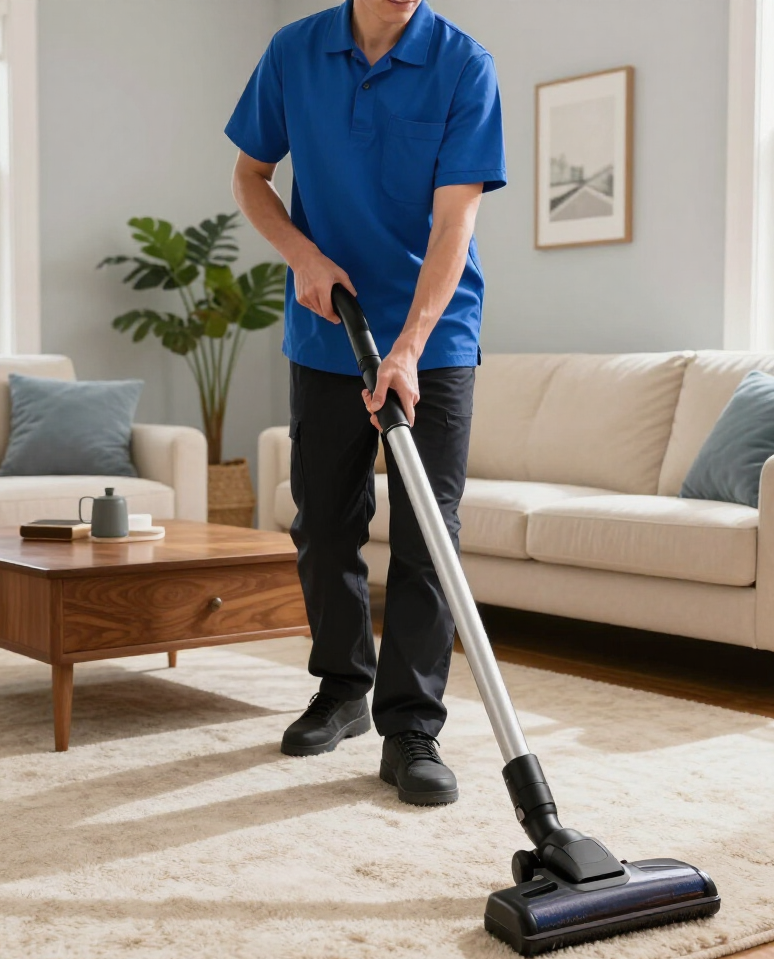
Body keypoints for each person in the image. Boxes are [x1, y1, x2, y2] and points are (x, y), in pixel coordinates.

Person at [226, 0, 505, 806]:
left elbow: (455, 223)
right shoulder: (294, 52)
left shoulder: (462, 64)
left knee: (427, 531)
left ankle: (413, 726)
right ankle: (344, 688)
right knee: (323, 519)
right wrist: (302, 255)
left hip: (435, 334)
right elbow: (252, 176)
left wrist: (411, 347)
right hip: (327, 327)